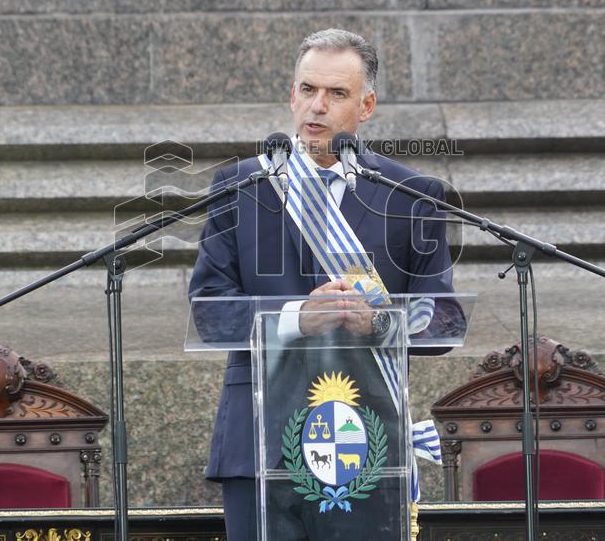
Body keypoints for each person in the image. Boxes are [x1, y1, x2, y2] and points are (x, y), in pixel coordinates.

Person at [188, 29, 463, 539]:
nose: (318, 106)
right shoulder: (242, 186)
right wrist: (294, 317)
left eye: (337, 94)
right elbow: (208, 310)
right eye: (308, 89)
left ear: (367, 105)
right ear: (291, 95)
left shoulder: (410, 195)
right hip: (258, 437)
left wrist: (381, 320)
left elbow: (444, 316)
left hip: (367, 437)